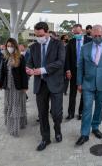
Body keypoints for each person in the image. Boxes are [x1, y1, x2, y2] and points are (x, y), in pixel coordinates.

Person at [75, 25, 102, 146]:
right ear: (91, 35)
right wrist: (79, 83)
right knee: (87, 108)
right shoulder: (85, 48)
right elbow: (80, 67)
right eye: (95, 36)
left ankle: (95, 126)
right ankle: (84, 133)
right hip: (87, 83)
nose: (97, 38)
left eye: (99, 36)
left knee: (99, 107)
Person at [26, 22, 65, 151]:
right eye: (37, 35)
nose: (39, 37)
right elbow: (30, 63)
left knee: (56, 113)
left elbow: (60, 62)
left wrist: (42, 70)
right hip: (40, 85)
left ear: (47, 32)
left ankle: (57, 129)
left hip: (55, 84)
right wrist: (29, 69)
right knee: (42, 114)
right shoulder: (33, 47)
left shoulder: (58, 44)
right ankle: (45, 138)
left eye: (41, 35)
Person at [0, 38, 28, 137]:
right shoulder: (4, 57)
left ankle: (14, 129)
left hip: (17, 87)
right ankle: (11, 124)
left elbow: (24, 73)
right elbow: (1, 71)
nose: (9, 48)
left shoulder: (21, 58)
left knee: (16, 106)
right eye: (8, 46)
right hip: (8, 87)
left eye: (11, 46)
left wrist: (25, 86)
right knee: (9, 105)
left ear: (15, 46)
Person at [65, 24, 89, 120]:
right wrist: (68, 70)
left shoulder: (89, 41)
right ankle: (71, 113)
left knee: (84, 93)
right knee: (73, 93)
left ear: (82, 31)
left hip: (85, 71)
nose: (76, 34)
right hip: (74, 71)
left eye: (77, 33)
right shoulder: (70, 42)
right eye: (74, 33)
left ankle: (81, 113)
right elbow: (67, 58)